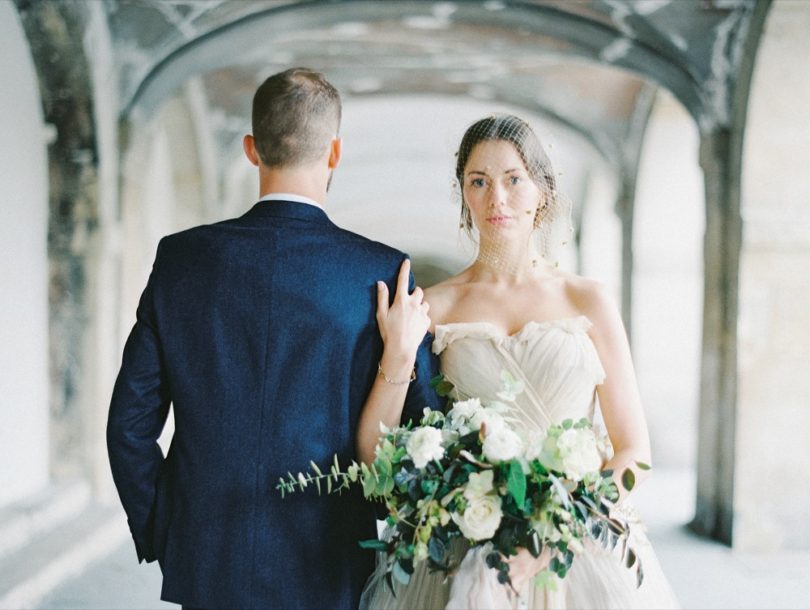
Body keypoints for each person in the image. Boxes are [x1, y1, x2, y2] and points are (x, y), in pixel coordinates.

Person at [106, 67, 441, 610]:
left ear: (250, 148)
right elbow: (425, 434)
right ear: (334, 153)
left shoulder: (181, 260)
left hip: (207, 555)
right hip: (332, 559)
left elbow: (129, 427)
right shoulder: (382, 274)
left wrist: (164, 529)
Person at [358, 115, 679, 609]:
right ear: (463, 193)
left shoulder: (588, 300)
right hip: (468, 547)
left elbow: (634, 449)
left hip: (580, 549)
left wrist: (553, 538)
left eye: (514, 179)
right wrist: (398, 354)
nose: (497, 199)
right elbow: (375, 454)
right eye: (479, 182)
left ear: (542, 191)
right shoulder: (434, 306)